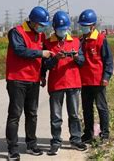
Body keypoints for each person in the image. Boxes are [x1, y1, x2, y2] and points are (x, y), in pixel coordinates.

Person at [5, 6, 54, 161]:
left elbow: (45, 58)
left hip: (33, 80)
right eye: (40, 24)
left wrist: (43, 74)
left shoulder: (40, 36)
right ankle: (13, 150)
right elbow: (20, 51)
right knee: (15, 114)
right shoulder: (16, 32)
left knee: (32, 114)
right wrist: (41, 53)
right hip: (17, 80)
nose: (42, 27)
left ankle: (31, 144)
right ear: (32, 21)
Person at [41, 11, 88, 155]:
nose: (63, 31)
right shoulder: (48, 43)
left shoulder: (75, 41)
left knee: (74, 114)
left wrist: (75, 57)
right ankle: (56, 141)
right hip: (56, 84)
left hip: (73, 83)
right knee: (56, 116)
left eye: (65, 28)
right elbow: (45, 64)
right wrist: (56, 58)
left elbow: (82, 61)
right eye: (60, 29)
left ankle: (76, 139)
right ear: (54, 28)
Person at [78, 9, 114, 144]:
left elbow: (108, 60)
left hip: (98, 81)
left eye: (85, 25)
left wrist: (106, 77)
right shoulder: (81, 40)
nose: (83, 27)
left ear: (93, 25)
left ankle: (105, 133)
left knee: (101, 107)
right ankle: (88, 133)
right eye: (81, 25)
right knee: (87, 109)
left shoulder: (101, 39)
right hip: (84, 81)